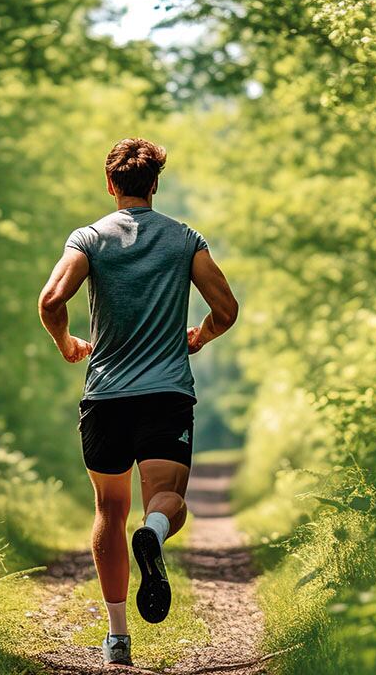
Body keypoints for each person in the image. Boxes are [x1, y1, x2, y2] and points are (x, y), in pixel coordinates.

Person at [37, 138, 239, 666]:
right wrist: (201, 334)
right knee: (166, 501)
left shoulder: (89, 238)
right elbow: (227, 308)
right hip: (166, 394)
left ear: (111, 185)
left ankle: (118, 636)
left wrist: (67, 345)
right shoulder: (184, 239)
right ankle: (152, 535)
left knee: (108, 508)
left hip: (105, 396)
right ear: (155, 184)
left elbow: (52, 300)